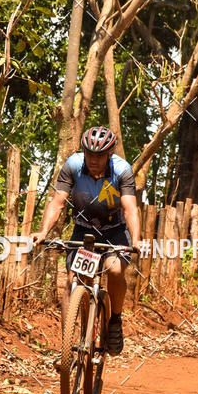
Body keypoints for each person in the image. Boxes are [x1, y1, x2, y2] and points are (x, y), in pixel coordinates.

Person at [33, 125, 141, 359]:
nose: (93, 160)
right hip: (84, 232)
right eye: (90, 154)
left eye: (99, 155)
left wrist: (138, 239)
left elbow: (130, 207)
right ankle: (66, 343)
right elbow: (57, 202)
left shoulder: (122, 170)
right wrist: (43, 232)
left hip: (115, 232)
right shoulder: (73, 165)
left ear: (109, 155)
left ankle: (115, 320)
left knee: (114, 270)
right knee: (73, 280)